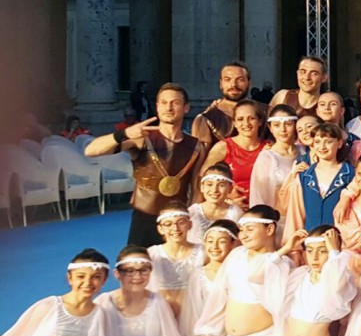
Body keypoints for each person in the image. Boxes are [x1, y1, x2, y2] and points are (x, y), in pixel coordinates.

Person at [194, 205, 293, 336]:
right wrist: (206, 334)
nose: (244, 234)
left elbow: (261, 277)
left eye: (250, 228)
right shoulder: (237, 254)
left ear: (269, 230)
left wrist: (282, 252)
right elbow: (220, 295)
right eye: (241, 229)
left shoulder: (283, 264)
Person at [86, 83, 206, 247]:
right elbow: (91, 150)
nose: (168, 107)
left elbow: (196, 190)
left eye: (175, 103)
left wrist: (192, 219)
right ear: (157, 107)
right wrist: (124, 133)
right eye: (163, 103)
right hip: (144, 217)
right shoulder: (143, 138)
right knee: (138, 268)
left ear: (186, 108)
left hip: (177, 219)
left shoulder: (196, 146)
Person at [178, 219, 240, 336]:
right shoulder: (199, 275)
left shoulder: (239, 271)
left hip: (235, 335)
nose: (214, 246)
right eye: (210, 241)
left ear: (234, 243)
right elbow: (194, 312)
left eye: (221, 241)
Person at [280, 123, 355, 237]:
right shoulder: (305, 176)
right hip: (310, 241)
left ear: (339, 143)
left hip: (340, 239)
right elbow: (295, 214)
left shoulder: (350, 173)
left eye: (328, 142)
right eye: (318, 142)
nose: (322, 147)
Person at [202, 99, 268, 208]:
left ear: (260, 121)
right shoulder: (223, 147)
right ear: (235, 123)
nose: (246, 124)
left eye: (251, 118)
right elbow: (202, 179)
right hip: (230, 211)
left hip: (262, 210)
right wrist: (226, 197)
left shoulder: (270, 148)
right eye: (240, 119)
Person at [148, 202, 205, 320]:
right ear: (160, 229)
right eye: (168, 224)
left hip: (194, 318)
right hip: (162, 318)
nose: (175, 228)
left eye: (181, 222)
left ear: (190, 225)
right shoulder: (151, 254)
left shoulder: (203, 253)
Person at [191, 62, 253, 150]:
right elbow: (200, 158)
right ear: (221, 83)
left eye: (240, 80)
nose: (233, 85)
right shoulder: (206, 119)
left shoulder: (265, 113)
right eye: (227, 79)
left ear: (249, 83)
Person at [249, 104, 299, 212]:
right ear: (270, 128)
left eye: (288, 124)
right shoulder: (267, 157)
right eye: (277, 125)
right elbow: (258, 196)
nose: (283, 129)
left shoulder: (305, 151)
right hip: (279, 218)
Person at [187, 163, 244, 245]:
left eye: (221, 185)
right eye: (209, 184)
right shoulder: (192, 212)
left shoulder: (236, 213)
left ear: (230, 188)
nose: (214, 190)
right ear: (202, 187)